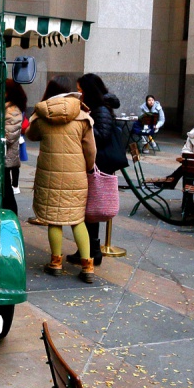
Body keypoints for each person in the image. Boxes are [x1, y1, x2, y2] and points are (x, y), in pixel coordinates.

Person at [27, 77, 98, 283]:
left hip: (49, 174)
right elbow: (90, 150)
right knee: (77, 220)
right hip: (76, 176)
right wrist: (87, 167)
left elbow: (30, 135)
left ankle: (55, 262)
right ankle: (87, 265)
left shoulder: (42, 116)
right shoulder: (83, 116)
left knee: (54, 220)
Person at [73, 73, 123, 266]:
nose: (79, 93)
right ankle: (89, 250)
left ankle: (92, 251)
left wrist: (83, 123)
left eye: (80, 90)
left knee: (91, 210)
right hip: (95, 163)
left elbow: (101, 135)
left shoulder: (100, 109)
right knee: (89, 210)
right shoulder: (97, 107)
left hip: (98, 165)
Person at [3, 80, 27, 207]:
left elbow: (9, 136)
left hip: (6, 158)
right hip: (4, 157)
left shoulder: (12, 110)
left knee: (6, 194)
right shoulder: (7, 108)